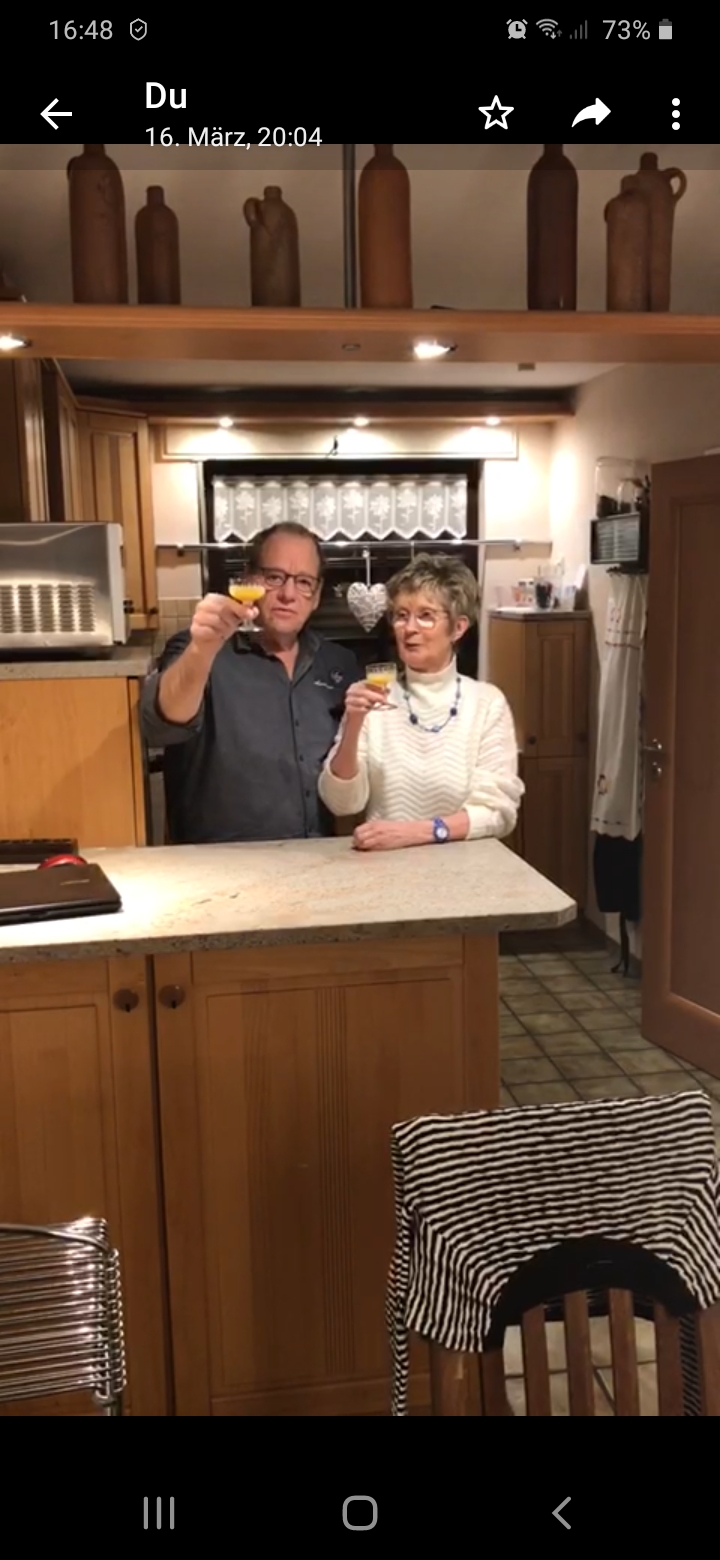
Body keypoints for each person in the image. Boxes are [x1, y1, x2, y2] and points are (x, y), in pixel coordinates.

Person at [141, 522, 360, 843]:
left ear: (315, 596)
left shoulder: (338, 664)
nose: (288, 595)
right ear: (249, 579)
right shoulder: (200, 649)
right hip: (222, 862)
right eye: (274, 577)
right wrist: (201, 650)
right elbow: (160, 725)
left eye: (303, 582)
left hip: (317, 857)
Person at [318, 553, 524, 851]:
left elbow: (498, 813)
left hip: (467, 868)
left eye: (426, 615)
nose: (409, 628)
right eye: (401, 615)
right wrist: (353, 724)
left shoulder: (486, 703)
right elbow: (342, 804)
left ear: (458, 628)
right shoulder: (374, 697)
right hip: (386, 867)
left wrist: (416, 833)